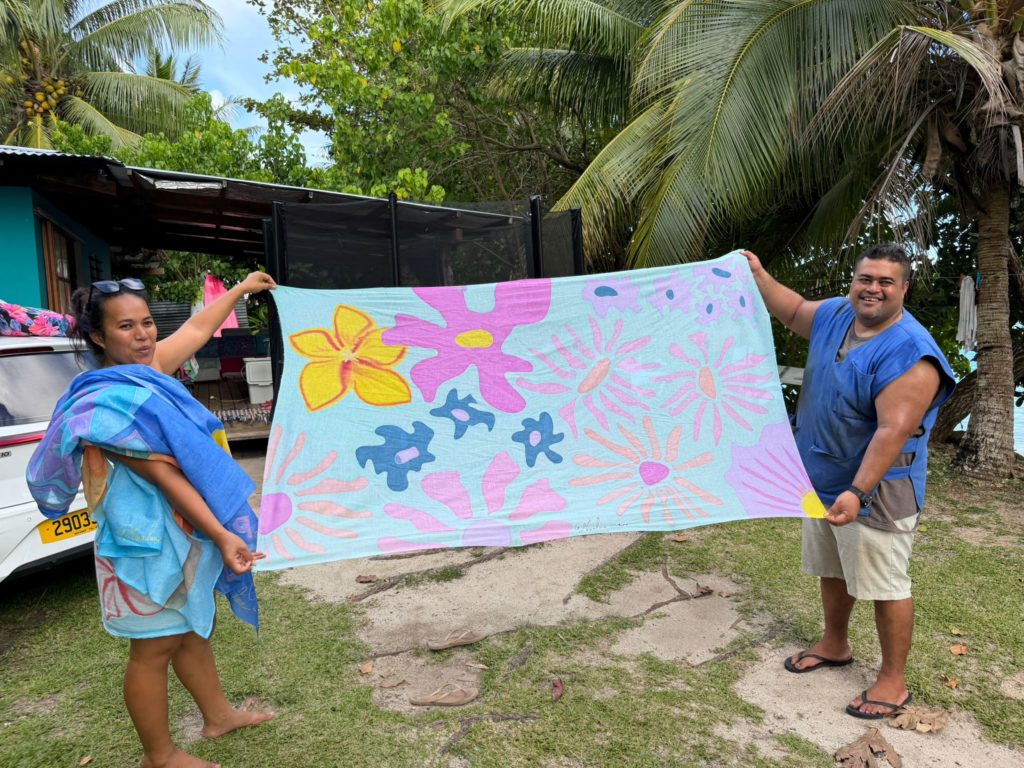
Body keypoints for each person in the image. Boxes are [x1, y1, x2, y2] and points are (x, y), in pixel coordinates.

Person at [28, 272, 277, 768]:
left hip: (183, 530)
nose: (142, 335)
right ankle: (159, 756)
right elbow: (163, 476)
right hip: (142, 544)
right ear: (99, 336)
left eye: (146, 323)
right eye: (126, 326)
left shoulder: (151, 370)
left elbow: (198, 328)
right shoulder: (104, 402)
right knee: (154, 646)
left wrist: (239, 291)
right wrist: (222, 534)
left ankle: (218, 716)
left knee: (193, 629)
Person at [742, 244, 955, 719]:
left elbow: (892, 431)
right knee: (834, 565)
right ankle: (834, 643)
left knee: (885, 582)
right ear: (853, 281)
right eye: (865, 278)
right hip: (822, 475)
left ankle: (892, 682)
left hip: (877, 488)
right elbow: (795, 311)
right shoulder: (839, 315)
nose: (873, 288)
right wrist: (758, 275)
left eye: (885, 282)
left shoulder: (911, 352)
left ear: (904, 289)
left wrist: (857, 493)